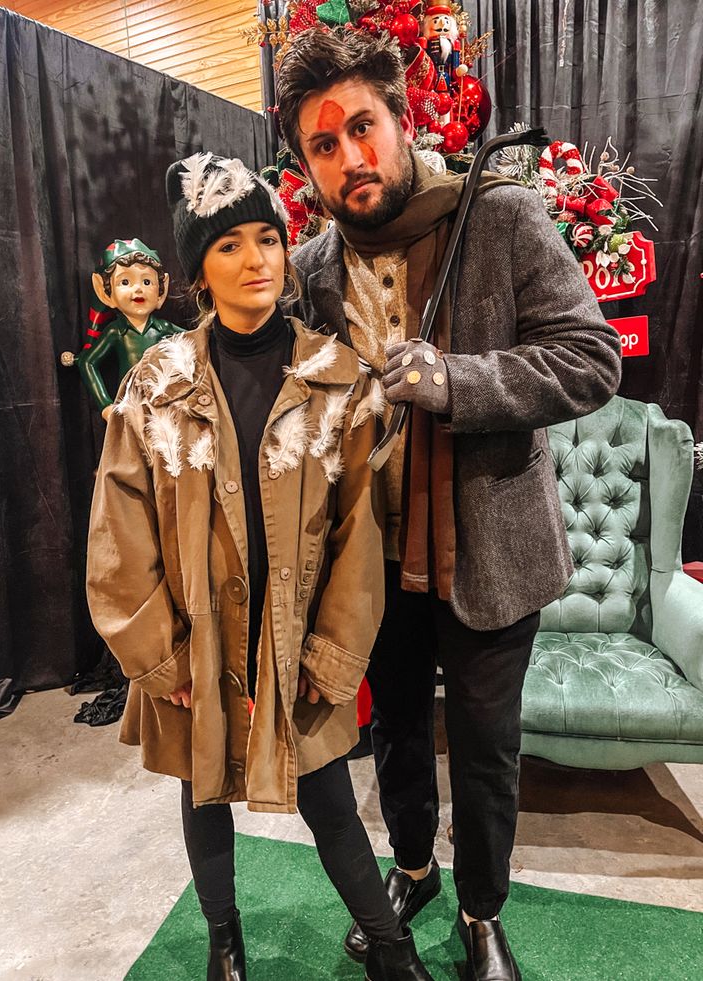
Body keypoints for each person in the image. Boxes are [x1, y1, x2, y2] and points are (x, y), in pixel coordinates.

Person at [277, 28, 622, 981]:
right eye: (324, 145)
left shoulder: (499, 218)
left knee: (483, 749)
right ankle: (416, 868)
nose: (351, 157)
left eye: (362, 128)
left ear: (401, 120)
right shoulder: (309, 268)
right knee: (391, 734)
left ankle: (482, 910)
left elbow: (592, 359)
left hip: (491, 548)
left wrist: (457, 379)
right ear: (306, 165)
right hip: (369, 557)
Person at [86, 152, 434, 981]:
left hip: (297, 641)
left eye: (269, 241)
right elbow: (118, 529)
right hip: (193, 643)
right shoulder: (155, 384)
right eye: (230, 245)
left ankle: (389, 946)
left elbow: (361, 532)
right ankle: (224, 939)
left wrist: (335, 653)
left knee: (330, 805)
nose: (257, 262)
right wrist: (158, 655)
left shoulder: (338, 381)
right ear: (198, 270)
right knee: (201, 789)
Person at [78, 238, 184, 421]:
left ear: (161, 290)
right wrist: (105, 405)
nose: (138, 289)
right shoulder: (116, 332)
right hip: (130, 409)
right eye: (125, 282)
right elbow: (87, 362)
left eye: (147, 282)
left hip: (166, 408)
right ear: (106, 293)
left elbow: (196, 341)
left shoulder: (164, 329)